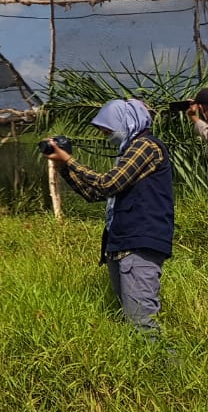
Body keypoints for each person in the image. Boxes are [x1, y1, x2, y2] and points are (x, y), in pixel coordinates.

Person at [45, 99, 174, 336]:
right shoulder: (127, 153)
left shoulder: (146, 147)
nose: (108, 137)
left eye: (109, 131)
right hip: (122, 243)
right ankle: (147, 369)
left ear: (126, 122)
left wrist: (70, 161)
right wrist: (63, 168)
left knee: (143, 323)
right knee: (130, 320)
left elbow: (107, 183)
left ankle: (171, 369)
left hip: (140, 243)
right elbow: (94, 194)